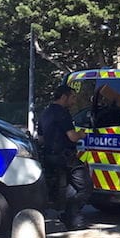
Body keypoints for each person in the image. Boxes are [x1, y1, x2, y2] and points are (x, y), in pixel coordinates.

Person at [39, 84, 91, 230]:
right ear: (64, 97)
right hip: (66, 158)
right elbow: (73, 137)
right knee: (85, 187)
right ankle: (72, 217)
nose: (74, 101)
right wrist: (82, 134)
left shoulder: (45, 113)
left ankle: (70, 218)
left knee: (70, 188)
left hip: (50, 157)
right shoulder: (63, 113)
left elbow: (41, 138)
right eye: (73, 97)